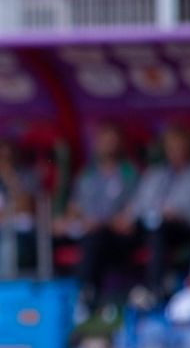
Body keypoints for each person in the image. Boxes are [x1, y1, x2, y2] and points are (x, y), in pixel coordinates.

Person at [112, 123, 190, 302]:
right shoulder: (155, 174)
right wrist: (125, 218)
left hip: (185, 227)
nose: (176, 152)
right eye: (171, 147)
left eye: (180, 147)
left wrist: (179, 212)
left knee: (159, 230)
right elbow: (138, 205)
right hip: (148, 225)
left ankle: (155, 290)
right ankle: (99, 297)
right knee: (104, 236)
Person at [54, 123, 138, 312]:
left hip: (116, 237)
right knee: (52, 237)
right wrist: (66, 220)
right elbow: (74, 208)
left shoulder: (129, 173)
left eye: (113, 142)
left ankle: (86, 295)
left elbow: (132, 212)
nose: (108, 146)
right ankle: (49, 297)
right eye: (104, 141)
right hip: (86, 231)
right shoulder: (87, 175)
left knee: (95, 239)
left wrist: (101, 222)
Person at [0, 137, 38, 279]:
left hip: (20, 234)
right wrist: (5, 213)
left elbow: (25, 206)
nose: (4, 161)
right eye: (1, 157)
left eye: (8, 157)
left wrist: (10, 179)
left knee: (5, 246)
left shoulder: (27, 177)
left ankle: (3, 288)